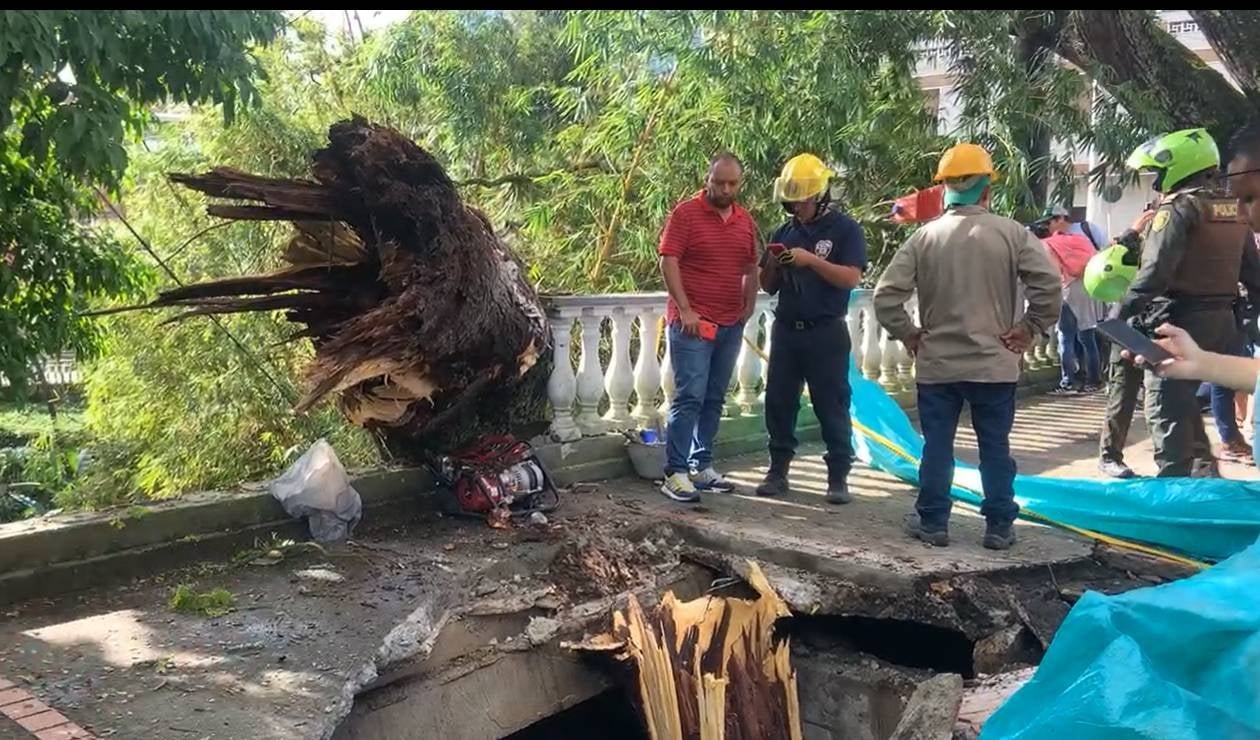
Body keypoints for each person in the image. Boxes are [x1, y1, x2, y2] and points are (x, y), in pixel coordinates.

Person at [874, 143, 1061, 550]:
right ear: (987, 190)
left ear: (945, 190)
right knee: (994, 447)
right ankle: (998, 526)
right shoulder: (1013, 234)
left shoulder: (924, 237)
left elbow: (886, 296)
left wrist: (909, 333)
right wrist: (1029, 328)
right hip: (995, 364)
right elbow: (1048, 286)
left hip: (938, 366)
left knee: (937, 447)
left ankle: (934, 523)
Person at [1117, 127, 1260, 478]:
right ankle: (1205, 479)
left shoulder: (1178, 209)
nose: (1157, 184)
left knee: (1166, 410)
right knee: (1192, 412)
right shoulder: (1233, 207)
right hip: (1225, 325)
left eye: (1160, 174)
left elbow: (1154, 274)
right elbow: (1253, 275)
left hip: (1178, 325)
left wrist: (1118, 316)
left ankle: (1176, 489)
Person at [754, 153, 867, 503]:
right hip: (787, 330)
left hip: (826, 331)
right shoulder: (784, 231)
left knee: (831, 403)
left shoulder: (846, 230)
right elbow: (767, 286)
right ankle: (778, 469)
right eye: (791, 200)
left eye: (801, 198)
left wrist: (811, 261)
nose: (796, 206)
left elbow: (851, 277)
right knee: (779, 401)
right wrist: (774, 263)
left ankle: (838, 475)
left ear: (820, 195)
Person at [657, 152, 759, 502]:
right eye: (720, 182)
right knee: (690, 396)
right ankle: (675, 472)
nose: (726, 189)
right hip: (693, 324)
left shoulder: (745, 221)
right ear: (708, 179)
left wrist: (749, 303)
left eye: (732, 183)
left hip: (730, 322)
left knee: (715, 397)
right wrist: (684, 309)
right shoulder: (685, 214)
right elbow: (668, 259)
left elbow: (751, 267)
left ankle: (702, 465)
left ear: (740, 184)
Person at [1083, 210, 1156, 478]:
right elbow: (1113, 258)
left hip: (1161, 324)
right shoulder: (1135, 241)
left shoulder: (1175, 241)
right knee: (1123, 395)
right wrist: (1133, 231)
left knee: (1165, 398)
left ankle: (1173, 458)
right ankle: (1109, 456)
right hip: (1129, 326)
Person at [1038, 208, 1104, 393]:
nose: (1048, 226)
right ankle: (1094, 381)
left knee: (1065, 337)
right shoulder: (1081, 239)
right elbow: (1096, 259)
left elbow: (1053, 270)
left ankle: (1068, 382)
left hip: (1067, 288)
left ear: (1058, 220)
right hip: (1087, 286)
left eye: (1049, 222)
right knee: (1088, 337)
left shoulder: (1048, 244)